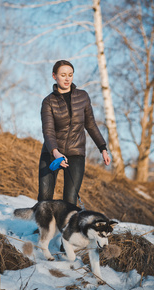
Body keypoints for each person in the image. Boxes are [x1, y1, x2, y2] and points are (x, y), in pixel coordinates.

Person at [38, 60, 111, 205]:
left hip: (75, 153)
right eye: (63, 75)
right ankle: (43, 228)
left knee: (70, 200)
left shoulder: (83, 97)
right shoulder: (48, 102)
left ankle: (65, 228)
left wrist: (103, 148)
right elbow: (48, 130)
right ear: (54, 76)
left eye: (70, 75)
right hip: (52, 153)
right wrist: (55, 152)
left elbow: (91, 125)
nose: (67, 78)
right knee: (45, 197)